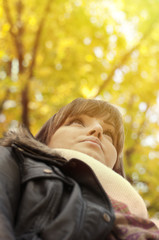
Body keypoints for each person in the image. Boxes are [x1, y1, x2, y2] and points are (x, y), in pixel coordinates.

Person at [0, 97, 159, 240]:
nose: (98, 130)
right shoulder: (14, 160)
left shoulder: (145, 219)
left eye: (109, 134)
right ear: (46, 138)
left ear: (116, 163)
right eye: (77, 122)